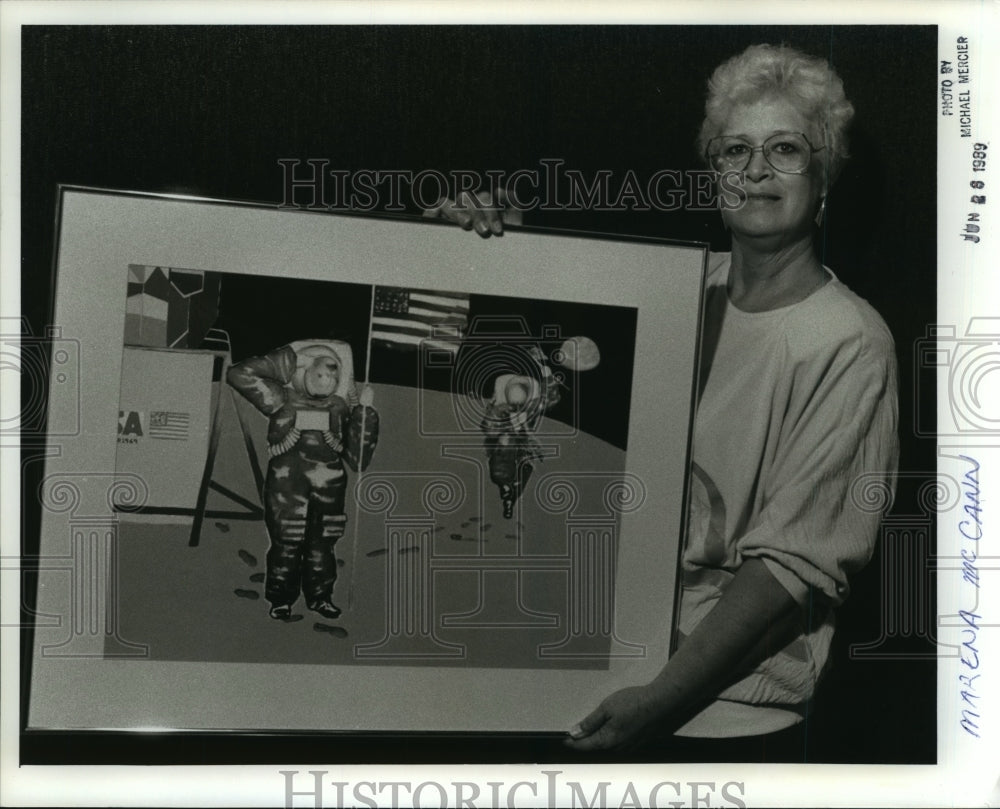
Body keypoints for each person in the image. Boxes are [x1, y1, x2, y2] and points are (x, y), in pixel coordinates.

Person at [425, 43, 899, 759]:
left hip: (721, 718)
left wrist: (662, 699)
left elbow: (788, 569)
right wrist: (467, 245)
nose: (756, 169)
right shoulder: (665, 291)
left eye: (786, 148)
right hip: (585, 674)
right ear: (713, 175)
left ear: (824, 173)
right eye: (735, 149)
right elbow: (552, 386)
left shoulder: (850, 339)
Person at [227, 340, 379, 621]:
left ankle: (320, 597)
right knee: (286, 542)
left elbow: (358, 458)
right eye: (322, 372)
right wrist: (288, 358)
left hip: (329, 487)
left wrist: (365, 413)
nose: (328, 379)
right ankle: (281, 599)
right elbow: (239, 374)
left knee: (323, 546)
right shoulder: (280, 398)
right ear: (304, 369)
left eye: (334, 375)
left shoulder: (340, 406)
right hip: (287, 487)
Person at [479, 346, 562, 518]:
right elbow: (551, 397)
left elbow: (551, 397)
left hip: (509, 447)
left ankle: (508, 493)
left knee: (520, 468)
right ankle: (508, 492)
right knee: (520, 468)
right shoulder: (513, 401)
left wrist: (543, 368)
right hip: (508, 448)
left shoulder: (519, 399)